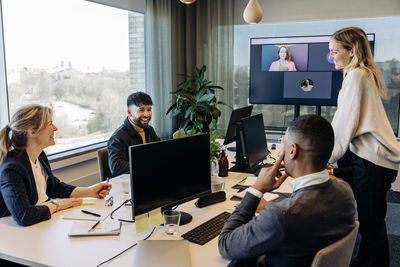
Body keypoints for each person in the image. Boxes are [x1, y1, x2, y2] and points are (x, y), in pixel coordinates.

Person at [218, 115, 356, 266]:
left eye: (284, 144)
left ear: (293, 151)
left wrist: (257, 189)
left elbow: (226, 244)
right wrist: (272, 208)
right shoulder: (345, 191)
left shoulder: (281, 215)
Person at [328, 26, 400, 267]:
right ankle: (363, 260)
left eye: (335, 51)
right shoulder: (360, 72)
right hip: (374, 159)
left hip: (373, 160)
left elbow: (344, 123)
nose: (332, 57)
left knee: (372, 225)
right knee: (372, 221)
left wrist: (324, 158)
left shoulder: (357, 75)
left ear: (352, 51)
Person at [0, 104, 111, 227]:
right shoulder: (11, 169)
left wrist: (89, 192)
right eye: (50, 124)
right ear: (32, 131)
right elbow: (24, 216)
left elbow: (54, 186)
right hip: (15, 234)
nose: (55, 128)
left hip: (40, 225)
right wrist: (58, 205)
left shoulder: (39, 155)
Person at [107, 92, 160, 177]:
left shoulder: (149, 130)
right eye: (141, 110)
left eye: (149, 109)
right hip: (127, 184)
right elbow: (116, 167)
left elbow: (159, 151)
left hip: (146, 177)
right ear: (129, 112)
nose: (147, 114)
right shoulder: (118, 137)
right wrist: (147, 165)